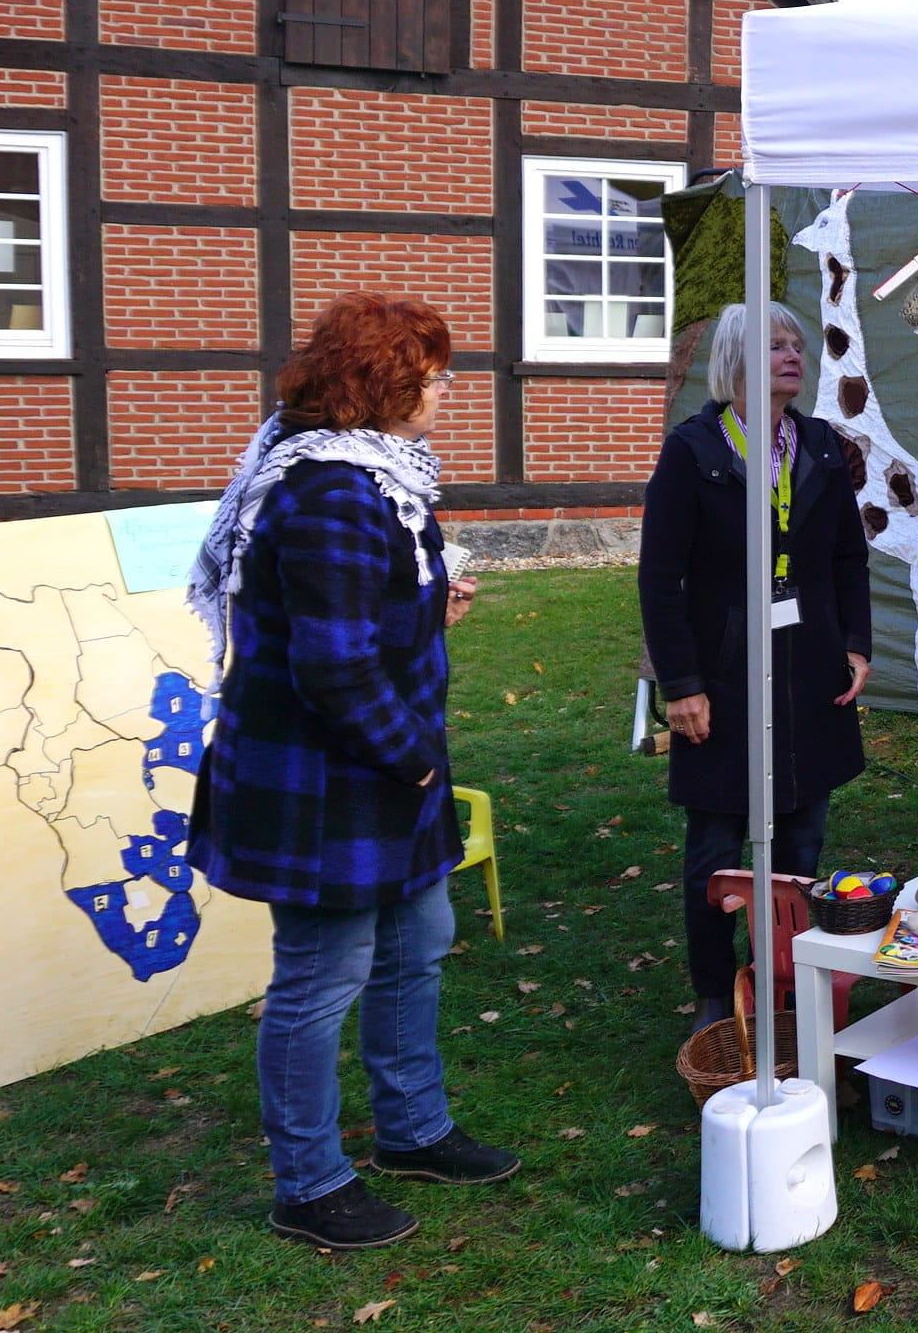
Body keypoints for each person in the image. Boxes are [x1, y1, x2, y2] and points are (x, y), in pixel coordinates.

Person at [187, 292, 516, 1251]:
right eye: (431, 374)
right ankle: (310, 1183)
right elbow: (330, 664)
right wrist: (416, 760)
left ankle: (413, 1131)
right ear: (383, 384)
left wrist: (427, 603)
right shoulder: (329, 488)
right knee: (320, 977)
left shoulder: (381, 477)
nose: (444, 391)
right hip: (332, 782)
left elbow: (358, 620)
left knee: (418, 945)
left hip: (382, 772)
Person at [638, 301, 872, 1035]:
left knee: (802, 838)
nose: (793, 356)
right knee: (716, 847)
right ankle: (714, 993)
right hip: (723, 677)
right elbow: (658, 576)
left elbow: (847, 559)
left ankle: (786, 980)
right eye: (774, 346)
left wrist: (857, 644)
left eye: (797, 345)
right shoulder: (694, 450)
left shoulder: (822, 446)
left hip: (809, 673)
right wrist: (681, 686)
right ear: (736, 360)